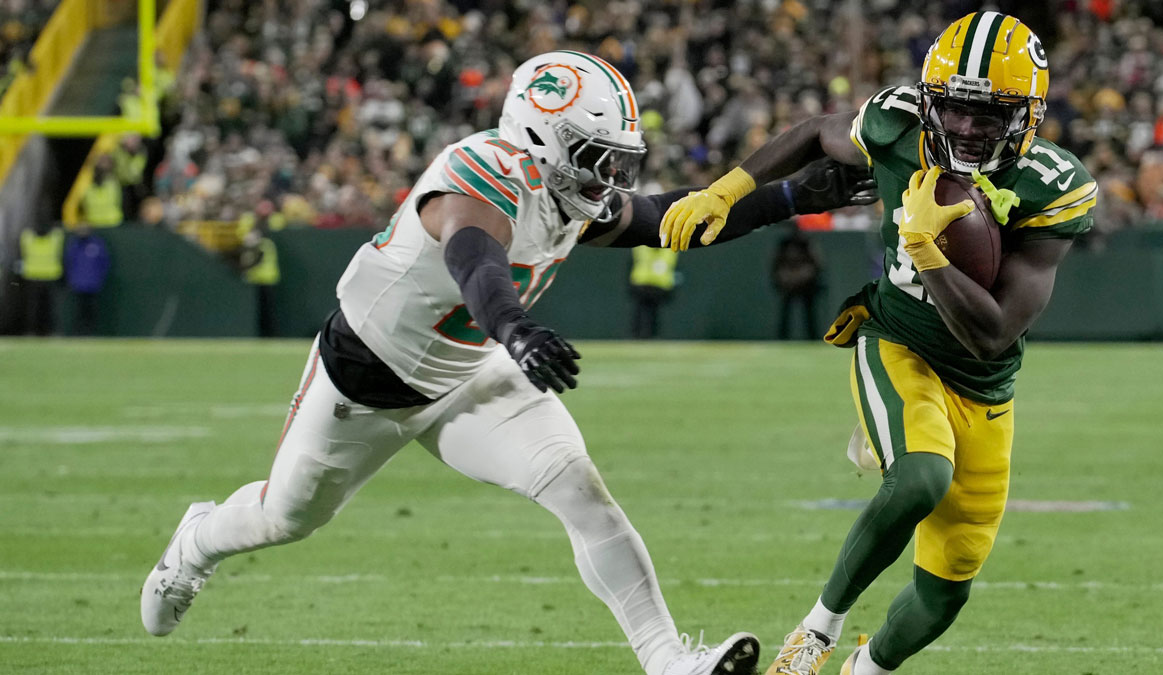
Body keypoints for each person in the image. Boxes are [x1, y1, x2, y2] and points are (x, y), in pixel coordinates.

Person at [139, 51, 874, 675]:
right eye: (595, 156)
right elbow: (475, 259)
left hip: (472, 374)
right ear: (539, 137)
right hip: (368, 381)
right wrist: (517, 328)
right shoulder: (481, 173)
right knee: (284, 516)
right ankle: (195, 541)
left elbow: (660, 219)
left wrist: (787, 195)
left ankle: (667, 659)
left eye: (616, 157)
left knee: (583, 495)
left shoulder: (566, 188)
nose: (608, 174)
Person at [660, 14, 1096, 675]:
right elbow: (812, 133)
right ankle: (813, 633)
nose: (969, 127)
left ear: (1029, 115)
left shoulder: (1053, 186)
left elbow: (994, 334)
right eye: (954, 107)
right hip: (897, 340)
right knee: (922, 476)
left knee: (944, 594)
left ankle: (864, 669)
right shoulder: (896, 123)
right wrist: (727, 188)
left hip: (982, 381)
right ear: (929, 100)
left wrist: (926, 250)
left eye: (991, 114)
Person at [771, 229, 823, 340]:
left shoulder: (807, 243)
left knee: (809, 314)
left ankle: (813, 338)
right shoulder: (784, 244)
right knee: (786, 313)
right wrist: (787, 279)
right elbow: (776, 265)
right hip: (788, 284)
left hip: (807, 285)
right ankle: (782, 338)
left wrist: (802, 278)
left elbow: (816, 264)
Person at [17, 222, 64, 336]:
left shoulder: (52, 240)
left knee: (50, 308)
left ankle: (50, 331)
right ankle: (33, 330)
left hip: (49, 278)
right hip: (34, 279)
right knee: (34, 309)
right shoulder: (31, 240)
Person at [63, 225, 111, 336]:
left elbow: (104, 263)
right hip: (78, 284)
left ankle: (90, 333)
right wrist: (71, 279)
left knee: (92, 311)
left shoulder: (97, 244)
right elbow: (69, 262)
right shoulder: (74, 245)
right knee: (78, 311)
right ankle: (78, 333)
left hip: (93, 285)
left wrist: (100, 279)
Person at [238, 228, 280, 338]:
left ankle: (271, 335)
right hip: (257, 282)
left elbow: (256, 260)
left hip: (267, 281)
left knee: (268, 312)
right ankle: (263, 335)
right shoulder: (258, 246)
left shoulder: (264, 245)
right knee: (260, 313)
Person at [629, 246, 678, 338]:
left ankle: (649, 336)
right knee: (642, 312)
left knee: (651, 312)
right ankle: (640, 335)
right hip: (644, 283)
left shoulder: (669, 245)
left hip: (657, 285)